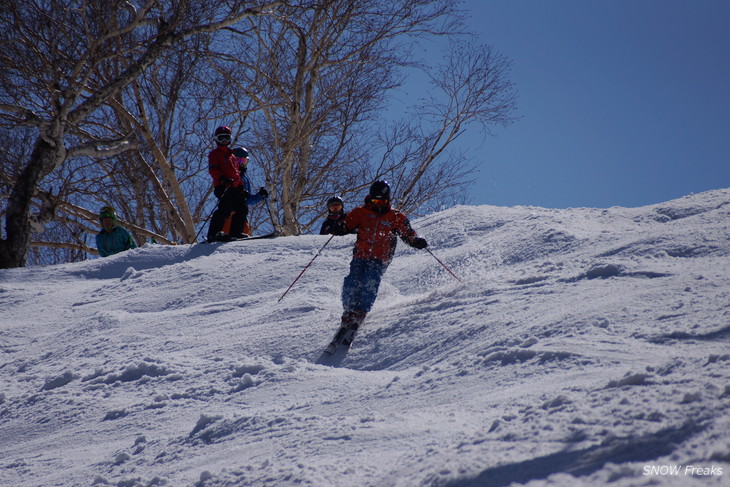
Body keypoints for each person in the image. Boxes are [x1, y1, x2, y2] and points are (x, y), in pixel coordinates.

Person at [327, 180, 428, 352]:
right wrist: (339, 227)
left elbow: (408, 233)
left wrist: (416, 241)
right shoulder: (361, 212)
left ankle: (360, 311)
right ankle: (349, 310)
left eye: (382, 202)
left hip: (380, 258)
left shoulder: (396, 217)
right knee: (353, 280)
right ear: (370, 199)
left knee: (370, 281)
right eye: (375, 202)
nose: (378, 205)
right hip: (361, 255)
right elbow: (346, 225)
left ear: (388, 200)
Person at [206, 126, 251, 242]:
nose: (224, 141)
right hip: (223, 186)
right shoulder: (215, 154)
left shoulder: (232, 156)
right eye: (221, 138)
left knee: (242, 208)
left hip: (235, 187)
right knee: (226, 208)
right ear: (216, 139)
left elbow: (236, 174)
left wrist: (241, 186)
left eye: (226, 138)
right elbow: (213, 169)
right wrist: (222, 179)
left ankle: (236, 232)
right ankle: (214, 233)